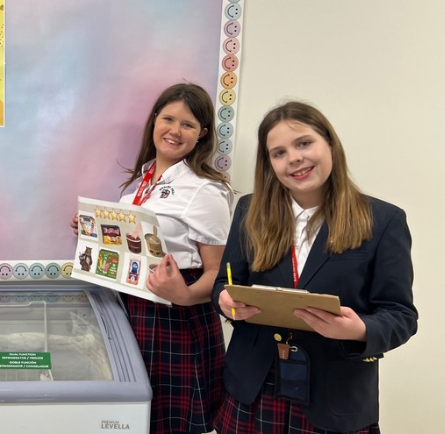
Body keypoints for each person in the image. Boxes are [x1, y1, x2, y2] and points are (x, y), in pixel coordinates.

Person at [212, 101, 418, 433]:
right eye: (278, 153)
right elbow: (224, 282)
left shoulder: (384, 221)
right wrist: (225, 301)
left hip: (334, 399)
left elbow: (401, 316)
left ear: (330, 144)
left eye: (304, 143)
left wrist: (359, 330)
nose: (293, 157)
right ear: (269, 165)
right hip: (254, 388)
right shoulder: (250, 210)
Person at [71, 83, 233, 433]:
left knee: (171, 422)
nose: (175, 131)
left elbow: (220, 272)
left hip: (177, 316)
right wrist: (92, 232)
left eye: (188, 125)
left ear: (202, 134)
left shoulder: (205, 191)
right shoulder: (141, 182)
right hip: (135, 309)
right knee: (138, 417)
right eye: (168, 118)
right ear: (155, 121)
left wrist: (186, 295)